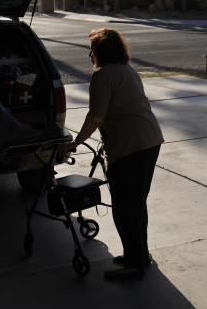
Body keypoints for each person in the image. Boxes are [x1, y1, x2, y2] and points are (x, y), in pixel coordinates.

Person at [66, 28, 163, 281]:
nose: (89, 54)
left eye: (92, 49)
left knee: (125, 207)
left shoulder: (103, 74)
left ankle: (134, 263)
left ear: (101, 52)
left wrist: (75, 142)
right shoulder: (127, 69)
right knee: (136, 204)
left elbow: (96, 116)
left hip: (130, 146)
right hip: (150, 140)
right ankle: (139, 254)